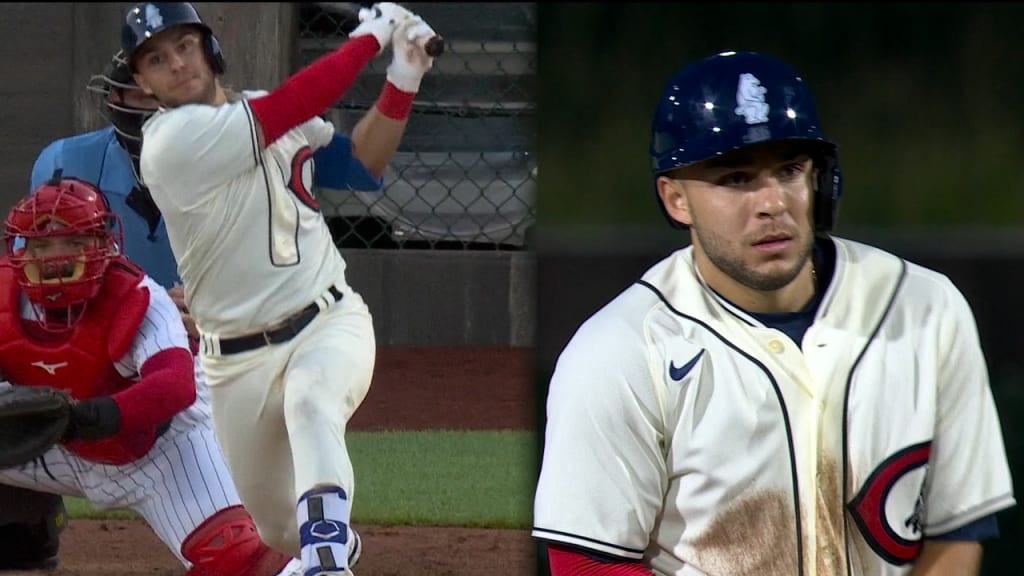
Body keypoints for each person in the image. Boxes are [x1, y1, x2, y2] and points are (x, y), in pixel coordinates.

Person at [532, 50, 1017, 576]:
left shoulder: (926, 308)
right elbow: (586, 565)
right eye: (737, 178)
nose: (772, 203)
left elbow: (955, 534)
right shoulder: (619, 351)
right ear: (676, 200)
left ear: (819, 180)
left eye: (788, 170)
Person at [122, 2, 437, 574]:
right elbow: (290, 105)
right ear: (142, 83)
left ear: (209, 48)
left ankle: (325, 559)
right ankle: (327, 543)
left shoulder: (268, 111)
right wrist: (368, 39)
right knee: (276, 526)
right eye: (156, 58)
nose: (176, 62)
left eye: (184, 45)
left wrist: (403, 79)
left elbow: (362, 164)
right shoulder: (170, 142)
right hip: (234, 362)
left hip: (327, 320)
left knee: (312, 400)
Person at [0, 177, 312, 575]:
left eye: (73, 244)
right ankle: (19, 534)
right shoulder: (4, 294)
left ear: (101, 246)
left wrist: (90, 417)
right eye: (42, 246)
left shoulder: (139, 297)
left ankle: (320, 564)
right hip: (57, 448)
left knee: (232, 558)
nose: (54, 259)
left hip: (162, 450)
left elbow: (173, 386)